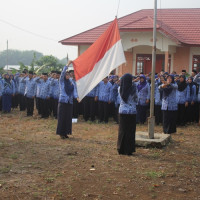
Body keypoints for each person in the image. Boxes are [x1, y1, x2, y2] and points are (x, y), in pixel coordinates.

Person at [117, 73, 138, 155]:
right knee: (130, 131)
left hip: (122, 111)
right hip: (132, 112)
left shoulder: (120, 88)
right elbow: (137, 99)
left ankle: (121, 149)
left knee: (122, 130)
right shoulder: (134, 89)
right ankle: (129, 150)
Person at [56, 62, 78, 139]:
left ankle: (66, 133)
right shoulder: (61, 81)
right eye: (66, 75)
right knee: (62, 117)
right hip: (63, 101)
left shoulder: (71, 82)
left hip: (70, 102)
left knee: (68, 118)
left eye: (68, 75)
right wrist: (67, 65)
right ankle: (61, 133)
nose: (67, 76)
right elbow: (62, 73)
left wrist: (76, 97)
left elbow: (74, 90)